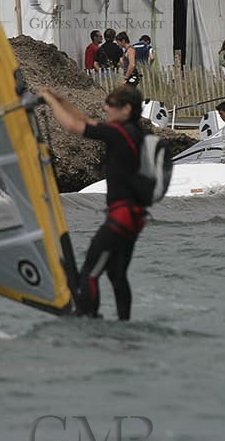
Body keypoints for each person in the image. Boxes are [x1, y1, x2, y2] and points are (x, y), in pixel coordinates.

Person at [38, 85, 150, 320]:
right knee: (117, 275)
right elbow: (87, 121)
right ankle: (124, 324)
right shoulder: (131, 133)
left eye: (111, 104)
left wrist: (49, 100)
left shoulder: (119, 133)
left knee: (88, 274)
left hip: (120, 218)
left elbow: (72, 126)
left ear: (126, 109)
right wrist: (61, 99)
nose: (106, 107)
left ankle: (89, 321)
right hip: (133, 218)